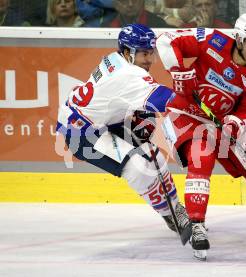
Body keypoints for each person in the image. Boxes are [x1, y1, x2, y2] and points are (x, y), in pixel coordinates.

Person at [156, 13, 246, 260]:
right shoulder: (212, 40)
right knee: (201, 158)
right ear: (238, 38)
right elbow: (166, 40)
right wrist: (179, 72)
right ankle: (196, 225)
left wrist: (235, 123)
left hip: (221, 123)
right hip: (185, 114)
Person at [56, 24, 190, 238]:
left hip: (104, 122)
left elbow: (125, 99)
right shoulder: (128, 74)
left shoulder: (116, 59)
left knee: (152, 155)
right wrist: (195, 101)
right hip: (83, 134)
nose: (150, 59)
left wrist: (141, 119)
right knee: (138, 167)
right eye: (144, 53)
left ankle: (177, 210)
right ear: (128, 52)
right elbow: (164, 100)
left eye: (151, 52)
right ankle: (171, 215)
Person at [105, 0, 171, 28]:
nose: (130, 4)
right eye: (124, 0)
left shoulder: (158, 24)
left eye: (134, 0)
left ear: (142, 1)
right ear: (116, 4)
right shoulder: (106, 27)